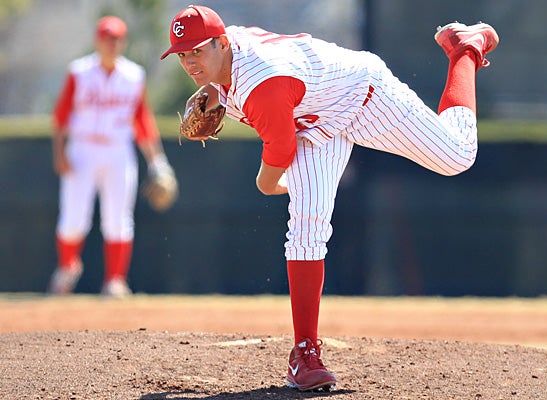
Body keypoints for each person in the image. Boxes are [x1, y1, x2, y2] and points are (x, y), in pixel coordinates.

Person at [161, 5, 499, 391]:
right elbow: (247, 76)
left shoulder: (262, 85)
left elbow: (278, 154)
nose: (189, 61)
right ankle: (305, 354)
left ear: (222, 43)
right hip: (312, 120)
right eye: (182, 54)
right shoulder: (229, 45)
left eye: (198, 51)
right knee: (306, 227)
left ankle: (464, 49)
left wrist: (268, 185)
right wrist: (213, 85)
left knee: (457, 155)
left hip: (360, 94)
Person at [48, 16, 175, 298]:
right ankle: (67, 267)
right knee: (73, 218)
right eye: (107, 37)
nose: (111, 43)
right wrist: (59, 153)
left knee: (118, 218)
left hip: (118, 150)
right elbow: (60, 117)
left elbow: (142, 122)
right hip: (82, 148)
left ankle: (115, 281)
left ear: (123, 42)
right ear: (97, 40)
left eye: (116, 38)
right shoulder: (79, 72)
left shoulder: (134, 75)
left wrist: (158, 160)